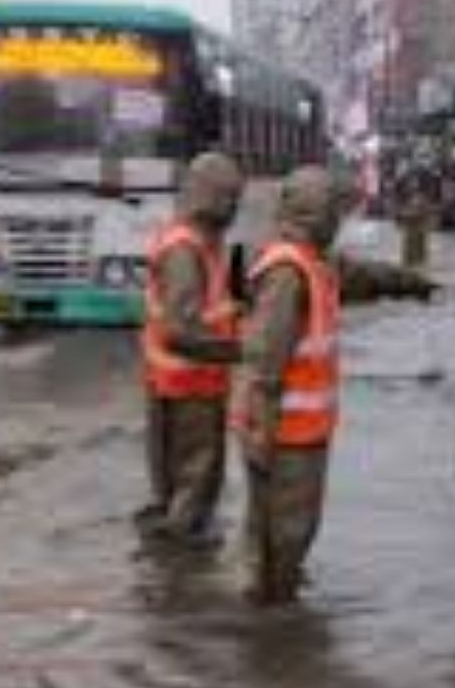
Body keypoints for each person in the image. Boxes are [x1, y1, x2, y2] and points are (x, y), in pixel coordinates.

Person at [233, 165, 435, 604]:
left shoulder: (314, 263)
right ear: (318, 214)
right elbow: (264, 365)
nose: (338, 220)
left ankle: (267, 612)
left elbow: (363, 278)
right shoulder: (288, 272)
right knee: (284, 535)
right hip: (284, 435)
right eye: (333, 211)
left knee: (284, 533)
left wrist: (411, 283)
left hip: (299, 433)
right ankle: (271, 626)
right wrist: (260, 436)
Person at [136, 152, 245, 551]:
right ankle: (177, 567)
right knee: (196, 482)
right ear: (209, 196)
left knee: (174, 482)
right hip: (190, 387)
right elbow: (180, 332)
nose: (234, 206)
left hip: (174, 384)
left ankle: (164, 552)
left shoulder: (196, 242)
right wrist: (242, 351)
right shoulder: (186, 250)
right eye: (228, 196)